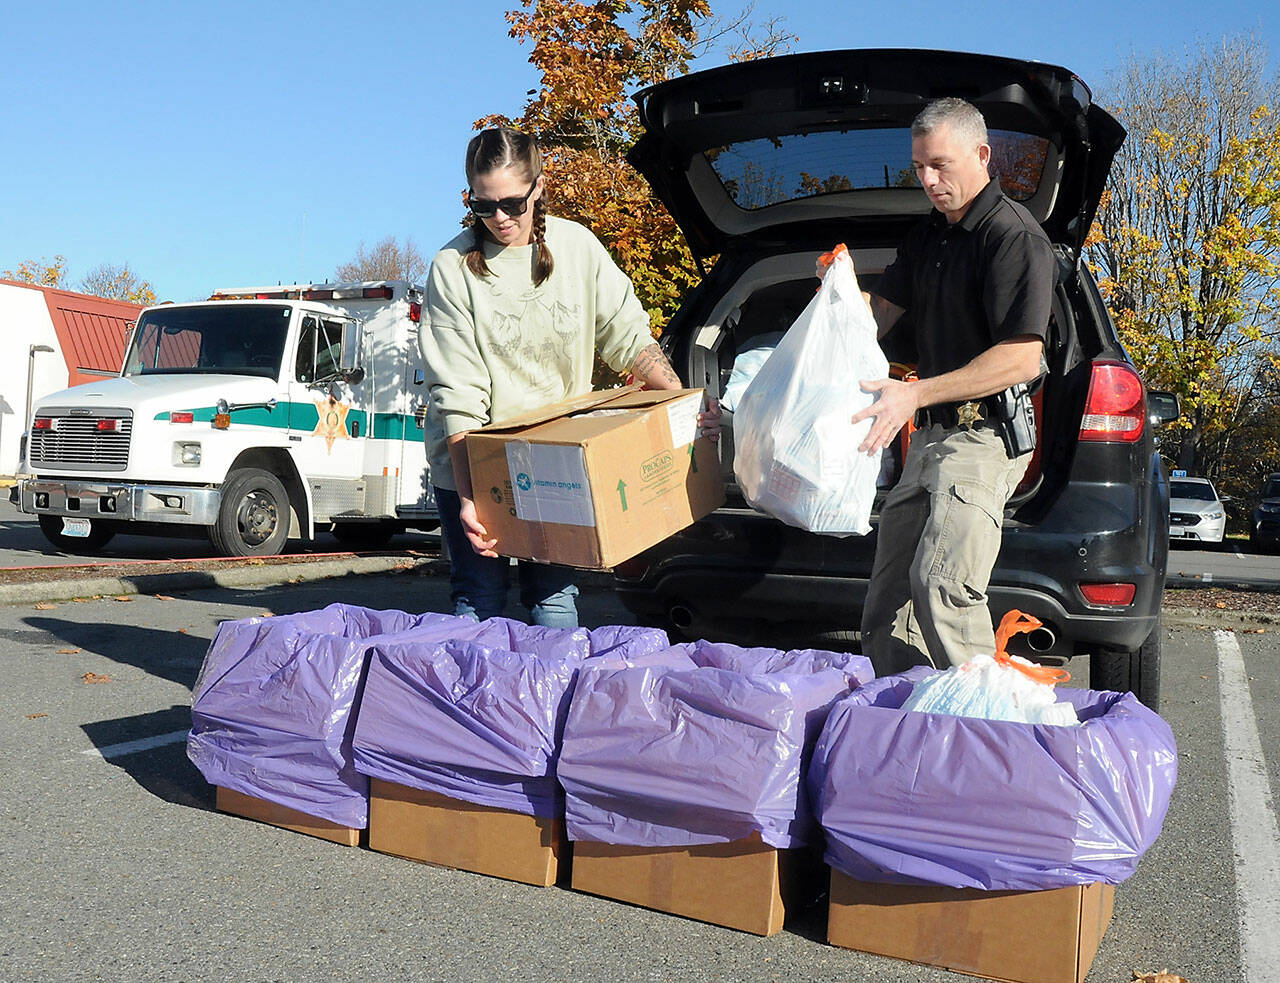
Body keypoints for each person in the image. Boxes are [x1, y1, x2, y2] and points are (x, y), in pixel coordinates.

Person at [420, 126, 716, 628]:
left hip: (554, 459)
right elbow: (458, 395)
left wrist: (685, 404)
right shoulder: (452, 268)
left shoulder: (576, 248)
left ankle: (551, 703)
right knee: (478, 597)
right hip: (473, 457)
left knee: (552, 598)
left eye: (513, 204)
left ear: (539, 187)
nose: (499, 219)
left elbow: (628, 336)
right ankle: (473, 707)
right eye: (483, 206)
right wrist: (470, 497)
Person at [845, 97, 1054, 675]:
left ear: (983, 155)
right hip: (931, 439)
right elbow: (878, 315)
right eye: (919, 168)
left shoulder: (1012, 237)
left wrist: (914, 393)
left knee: (942, 588)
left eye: (941, 164)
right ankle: (909, 729)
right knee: (886, 606)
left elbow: (1020, 358)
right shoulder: (930, 237)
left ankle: (991, 737)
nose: (929, 180)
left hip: (985, 437)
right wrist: (838, 292)